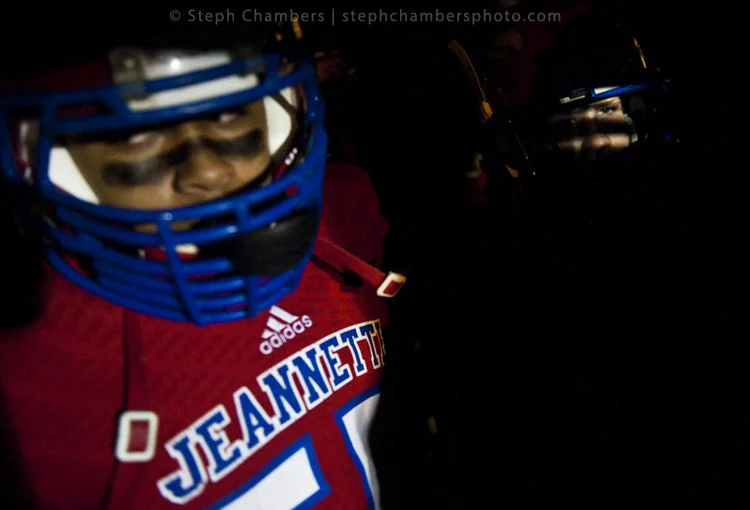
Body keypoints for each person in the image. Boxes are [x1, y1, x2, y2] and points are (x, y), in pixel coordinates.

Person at [0, 15, 405, 509]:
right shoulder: (30, 386)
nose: (207, 170)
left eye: (228, 111)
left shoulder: (343, 216)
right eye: (137, 132)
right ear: (33, 152)